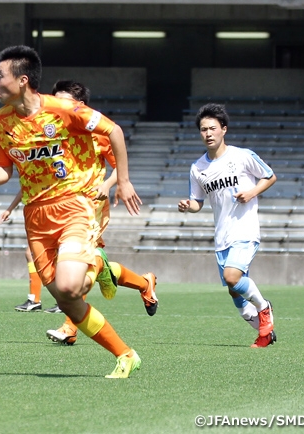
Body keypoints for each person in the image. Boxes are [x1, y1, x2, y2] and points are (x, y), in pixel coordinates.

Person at [0, 45, 143, 378]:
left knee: (69, 287)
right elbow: (4, 167)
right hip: (35, 217)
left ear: (23, 80)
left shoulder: (64, 109)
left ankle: (99, 264)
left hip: (74, 206)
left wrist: (123, 181)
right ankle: (126, 354)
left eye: (0, 76)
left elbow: (114, 131)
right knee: (68, 299)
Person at [45, 80, 158, 346]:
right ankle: (145, 283)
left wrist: (108, 185)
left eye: (64, 101)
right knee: (84, 265)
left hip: (90, 207)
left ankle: (69, 327)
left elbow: (120, 166)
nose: (58, 106)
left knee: (81, 263)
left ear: (80, 105)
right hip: (62, 208)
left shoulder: (97, 132)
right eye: (55, 100)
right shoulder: (52, 132)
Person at [177, 103, 276, 348]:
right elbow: (198, 202)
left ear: (224, 129)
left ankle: (264, 308)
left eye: (212, 128)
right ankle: (264, 333)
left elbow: (270, 176)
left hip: (245, 230)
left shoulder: (242, 156)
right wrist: (188, 206)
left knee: (232, 278)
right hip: (222, 236)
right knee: (234, 290)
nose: (208, 133)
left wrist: (251, 192)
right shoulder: (197, 168)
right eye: (203, 129)